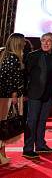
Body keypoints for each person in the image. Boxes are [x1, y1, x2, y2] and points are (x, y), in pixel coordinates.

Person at [22, 32, 52, 159]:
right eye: (44, 40)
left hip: (49, 93)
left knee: (42, 121)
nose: (46, 43)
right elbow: (26, 75)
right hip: (35, 93)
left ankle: (40, 145)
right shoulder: (33, 55)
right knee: (32, 121)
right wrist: (25, 93)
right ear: (40, 42)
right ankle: (28, 148)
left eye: (49, 41)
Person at [0, 33, 26, 165]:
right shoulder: (13, 58)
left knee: (3, 125)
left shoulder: (6, 56)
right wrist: (14, 94)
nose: (25, 43)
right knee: (4, 125)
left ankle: (2, 154)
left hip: (4, 95)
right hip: (7, 97)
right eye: (23, 41)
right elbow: (10, 78)